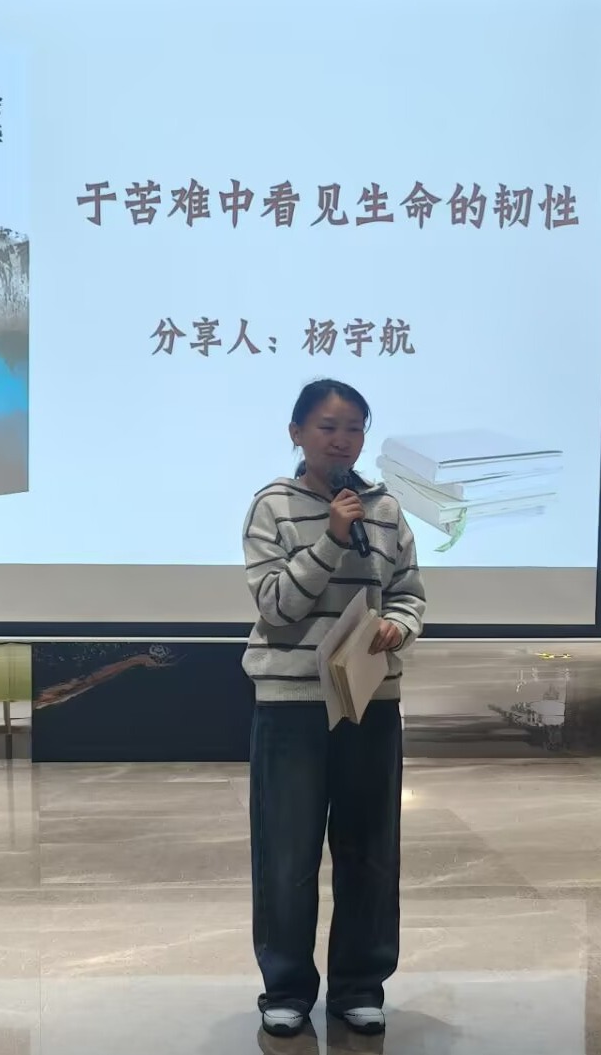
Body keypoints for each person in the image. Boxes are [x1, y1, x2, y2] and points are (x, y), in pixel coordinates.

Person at [241, 379, 427, 1038]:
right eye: (326, 427)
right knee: (287, 853)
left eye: (353, 428)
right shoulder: (272, 505)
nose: (341, 440)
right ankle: (286, 988)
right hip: (292, 700)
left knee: (370, 849)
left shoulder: (386, 508)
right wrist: (331, 538)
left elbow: (408, 591)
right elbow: (276, 606)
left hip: (369, 698)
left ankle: (360, 985)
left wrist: (399, 626)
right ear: (297, 433)